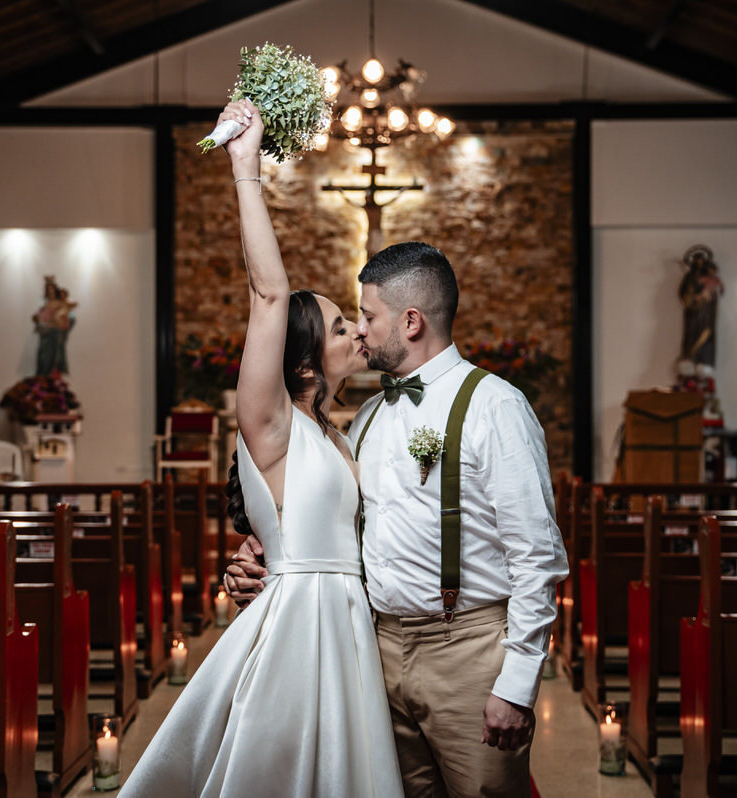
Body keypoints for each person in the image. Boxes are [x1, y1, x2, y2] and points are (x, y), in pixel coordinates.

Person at [119, 99, 404, 798]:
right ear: (303, 361)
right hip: (298, 625)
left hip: (349, 623)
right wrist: (246, 167)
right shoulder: (270, 424)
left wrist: (253, 552)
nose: (358, 334)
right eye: (341, 328)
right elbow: (270, 296)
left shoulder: (340, 433)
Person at [227, 243, 569, 796]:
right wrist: (258, 552)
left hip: (467, 652)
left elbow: (537, 556)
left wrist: (518, 682)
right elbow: (324, 519)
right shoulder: (361, 422)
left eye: (366, 316)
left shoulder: (494, 406)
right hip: (372, 654)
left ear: (411, 322)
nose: (360, 331)